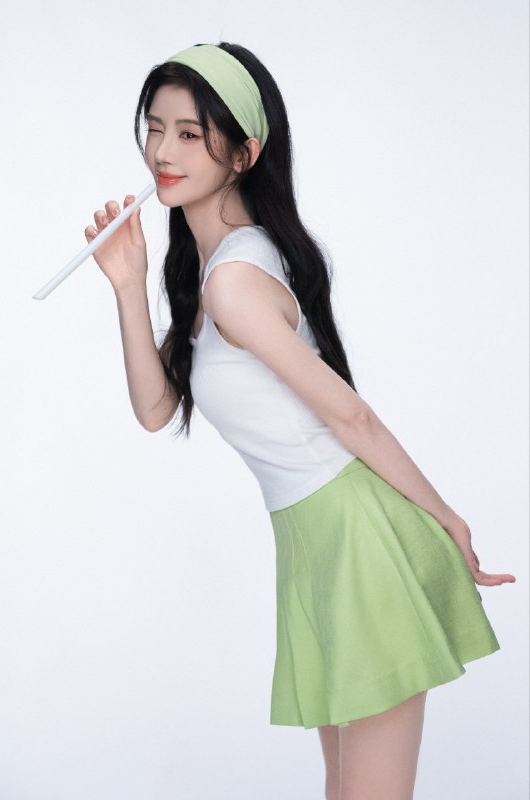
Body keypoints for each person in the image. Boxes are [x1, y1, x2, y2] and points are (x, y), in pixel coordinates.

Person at [84, 42, 516, 800]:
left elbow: (351, 414)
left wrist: (446, 518)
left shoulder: (234, 280)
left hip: (356, 538)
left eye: (190, 133)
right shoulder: (208, 273)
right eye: (154, 128)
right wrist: (127, 282)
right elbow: (155, 410)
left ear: (244, 153)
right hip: (313, 544)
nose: (163, 151)